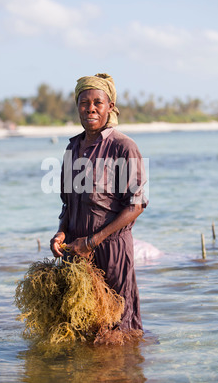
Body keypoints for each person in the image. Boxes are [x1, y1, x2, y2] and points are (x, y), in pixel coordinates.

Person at [50, 73, 148, 336]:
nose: (90, 108)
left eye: (98, 102)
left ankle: (124, 375)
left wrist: (92, 241)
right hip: (76, 251)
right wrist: (61, 231)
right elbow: (67, 204)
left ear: (110, 107)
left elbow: (136, 205)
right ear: (77, 106)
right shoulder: (72, 149)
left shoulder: (123, 147)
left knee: (119, 326)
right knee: (82, 326)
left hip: (112, 251)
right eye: (84, 102)